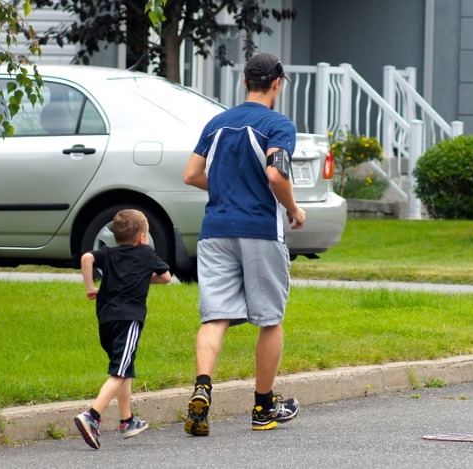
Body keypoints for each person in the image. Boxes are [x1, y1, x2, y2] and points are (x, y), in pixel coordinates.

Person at [182, 52, 307, 436]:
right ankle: (263, 408)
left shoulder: (217, 122)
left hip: (215, 230)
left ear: (244, 82)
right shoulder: (278, 124)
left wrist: (225, 186)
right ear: (277, 84)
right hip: (259, 231)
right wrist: (294, 208)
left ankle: (202, 387)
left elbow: (191, 174)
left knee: (215, 316)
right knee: (270, 318)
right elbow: (275, 173)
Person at [74, 208, 172, 449]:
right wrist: (143, 275)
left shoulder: (108, 253)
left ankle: (127, 420)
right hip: (129, 320)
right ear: (141, 237)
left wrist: (89, 287)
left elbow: (87, 258)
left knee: (125, 367)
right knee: (119, 371)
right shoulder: (147, 254)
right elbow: (166, 277)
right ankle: (92, 416)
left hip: (106, 320)